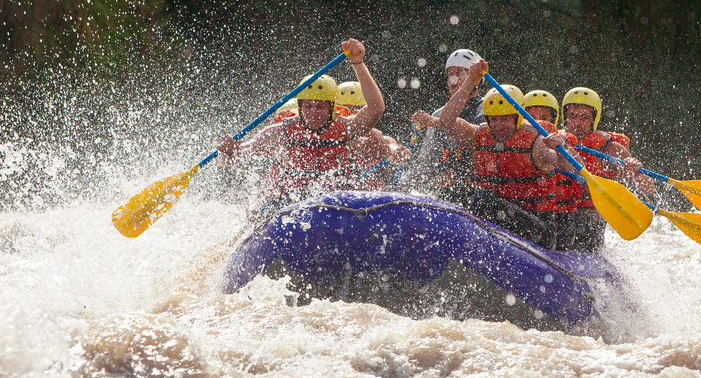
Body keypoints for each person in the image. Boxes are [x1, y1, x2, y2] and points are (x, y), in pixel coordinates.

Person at [216, 39, 384, 218]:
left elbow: (376, 108)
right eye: (308, 106)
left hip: (334, 206)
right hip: (289, 205)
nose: (313, 112)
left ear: (331, 108)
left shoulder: (345, 128)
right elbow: (237, 156)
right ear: (299, 106)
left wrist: (357, 63)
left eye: (319, 106)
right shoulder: (280, 132)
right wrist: (228, 152)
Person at [437, 59, 576, 248]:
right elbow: (445, 122)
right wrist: (471, 80)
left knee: (483, 200)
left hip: (538, 230)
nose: (499, 126)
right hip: (500, 221)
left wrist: (561, 149)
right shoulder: (480, 135)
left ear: (518, 117)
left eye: (505, 119)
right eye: (493, 119)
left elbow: (566, 166)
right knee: (457, 194)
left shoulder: (536, 142)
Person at [559, 87, 653, 252]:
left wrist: (633, 168)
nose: (577, 123)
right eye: (572, 116)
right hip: (559, 211)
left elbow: (647, 188)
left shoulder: (610, 149)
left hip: (590, 217)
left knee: (586, 222)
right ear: (564, 118)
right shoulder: (554, 142)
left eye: (584, 117)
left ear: (594, 119)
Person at [398, 48, 486, 206]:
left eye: (461, 73)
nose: (453, 81)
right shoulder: (438, 114)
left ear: (476, 79)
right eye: (451, 73)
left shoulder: (486, 109)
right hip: (443, 197)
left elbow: (475, 139)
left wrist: (433, 121)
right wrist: (403, 189)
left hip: (475, 198)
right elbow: (425, 165)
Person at [523, 90, 580, 250]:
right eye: (531, 117)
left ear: (553, 121)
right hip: (531, 213)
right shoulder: (516, 140)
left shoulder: (560, 140)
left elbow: (576, 166)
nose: (538, 122)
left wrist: (562, 145)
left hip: (561, 216)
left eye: (544, 118)